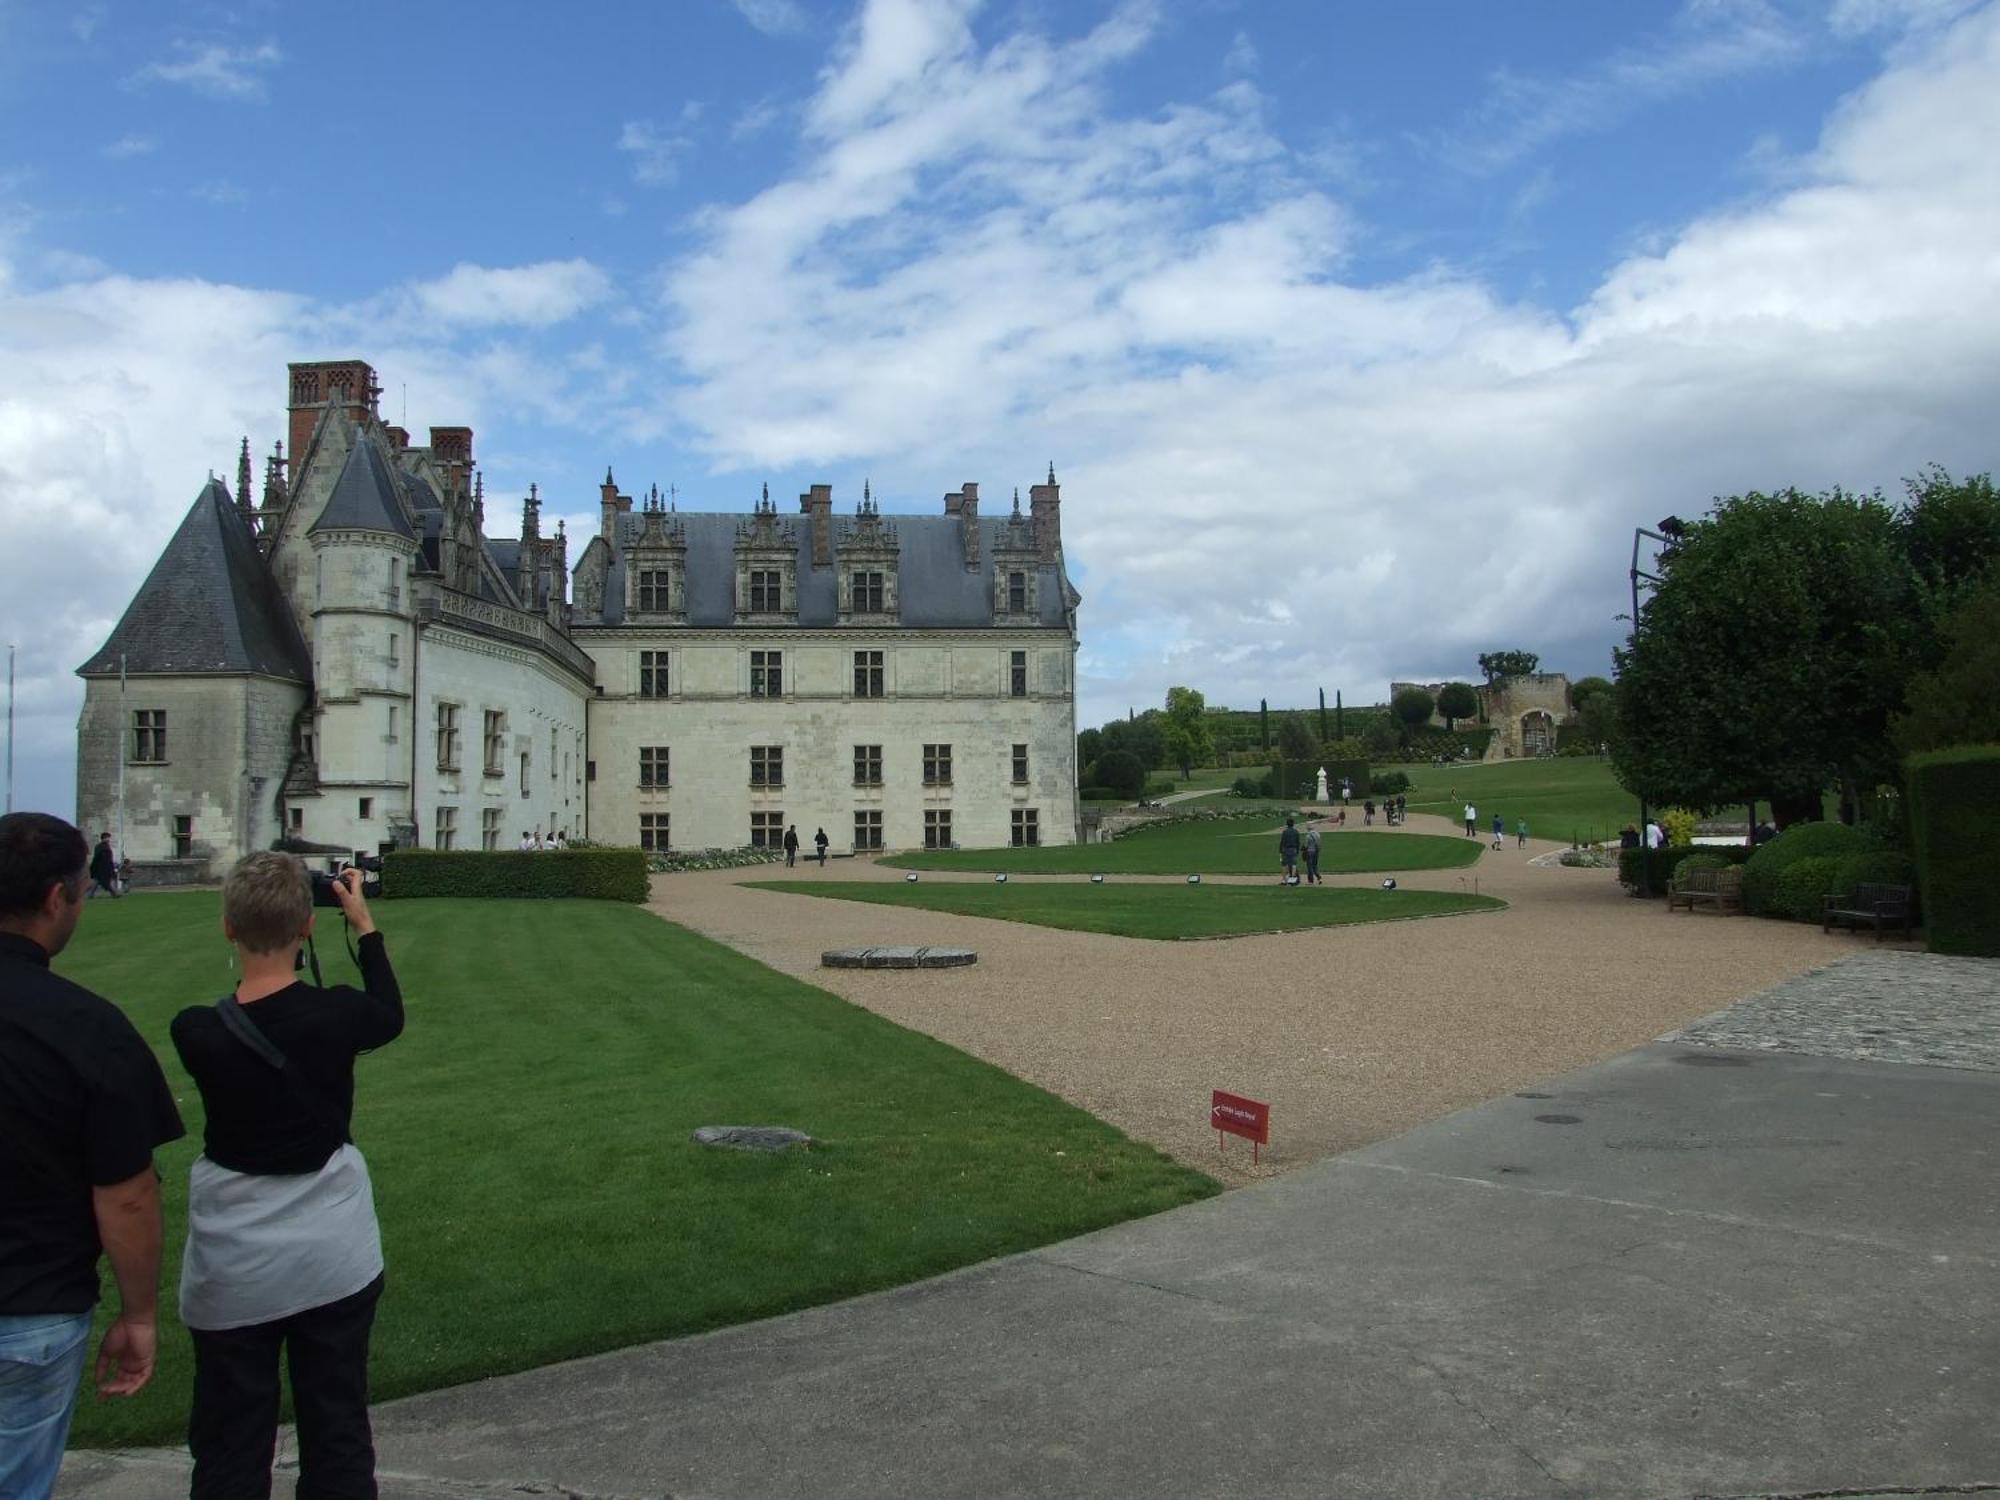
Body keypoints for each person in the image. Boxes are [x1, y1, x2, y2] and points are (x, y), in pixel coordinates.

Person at [169, 854, 405, 1499]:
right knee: (336, 1430)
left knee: (229, 1442)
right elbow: (388, 1011)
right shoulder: (338, 1016)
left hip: (235, 1261)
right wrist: (362, 923)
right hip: (331, 1253)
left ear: (227, 928)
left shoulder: (196, 1031)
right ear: (307, 927)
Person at [1, 813, 185, 1499]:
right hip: (28, 1308)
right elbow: (128, 1194)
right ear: (57, 899)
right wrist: (139, 1316)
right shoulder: (86, 1027)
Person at [88, 831, 122, 899]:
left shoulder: (105, 846)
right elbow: (98, 858)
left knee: (97, 881)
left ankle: (91, 895)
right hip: (102, 867)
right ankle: (114, 894)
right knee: (105, 882)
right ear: (104, 838)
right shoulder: (101, 847)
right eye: (107, 838)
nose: (109, 839)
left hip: (104, 867)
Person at [1278, 817, 1300, 883]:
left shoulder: (1285, 832)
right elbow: (1298, 842)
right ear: (1293, 824)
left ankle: (1284, 880)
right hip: (1293, 849)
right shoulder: (1296, 832)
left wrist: (1280, 851)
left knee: (1284, 865)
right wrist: (1297, 850)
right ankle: (1292, 879)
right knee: (1293, 864)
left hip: (1285, 849)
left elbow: (1282, 842)